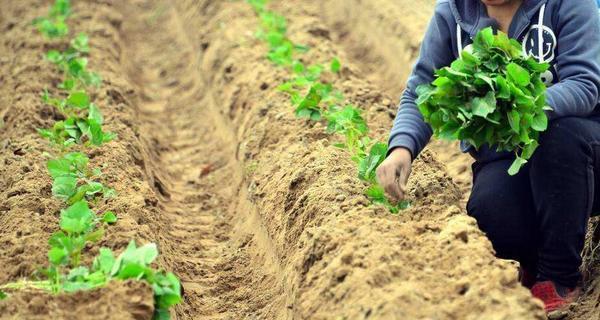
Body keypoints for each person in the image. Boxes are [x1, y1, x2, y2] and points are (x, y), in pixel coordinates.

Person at [376, 0, 600, 314]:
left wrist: (513, 105)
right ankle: (533, 263)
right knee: (492, 215)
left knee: (560, 135)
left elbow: (584, 85)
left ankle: (559, 274)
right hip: (510, 153)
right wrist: (402, 148)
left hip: (583, 151)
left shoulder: (570, 4)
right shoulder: (452, 14)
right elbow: (421, 92)